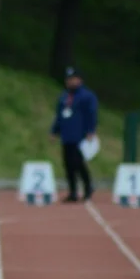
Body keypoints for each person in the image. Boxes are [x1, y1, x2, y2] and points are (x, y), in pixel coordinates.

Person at [50, 67, 98, 202]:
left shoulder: (87, 96)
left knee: (78, 163)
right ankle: (72, 191)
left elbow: (92, 114)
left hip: (80, 136)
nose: (70, 82)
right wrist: (54, 131)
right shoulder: (64, 96)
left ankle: (88, 187)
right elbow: (59, 116)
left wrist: (90, 131)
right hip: (67, 135)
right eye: (68, 79)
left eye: (73, 79)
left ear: (79, 80)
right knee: (68, 164)